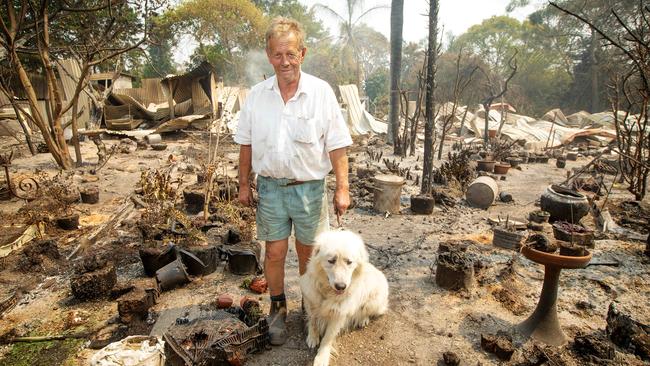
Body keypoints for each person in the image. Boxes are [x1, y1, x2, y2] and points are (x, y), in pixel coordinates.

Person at [234, 17, 352, 346]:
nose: (284, 61)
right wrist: (244, 184)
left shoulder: (320, 92)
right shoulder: (257, 96)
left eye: (290, 54)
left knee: (309, 255)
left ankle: (309, 308)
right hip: (270, 188)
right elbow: (245, 143)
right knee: (273, 252)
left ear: (303, 52)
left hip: (310, 190)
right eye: (276, 54)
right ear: (268, 55)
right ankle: (277, 308)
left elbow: (337, 144)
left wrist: (342, 187)